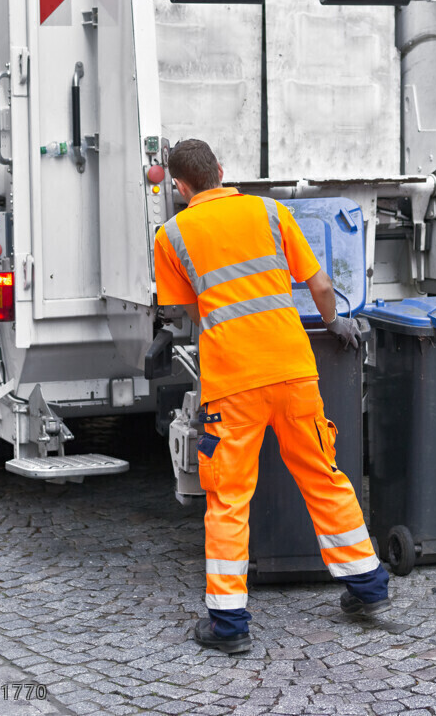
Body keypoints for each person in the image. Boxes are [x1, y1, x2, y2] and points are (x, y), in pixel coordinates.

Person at [154, 138, 390, 654]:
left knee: (229, 498)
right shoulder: (270, 211)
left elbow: (181, 314)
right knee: (324, 477)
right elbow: (321, 285)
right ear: (221, 169)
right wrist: (335, 323)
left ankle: (229, 624)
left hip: (233, 385)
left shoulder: (171, 235)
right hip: (293, 371)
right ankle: (368, 588)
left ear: (180, 185)